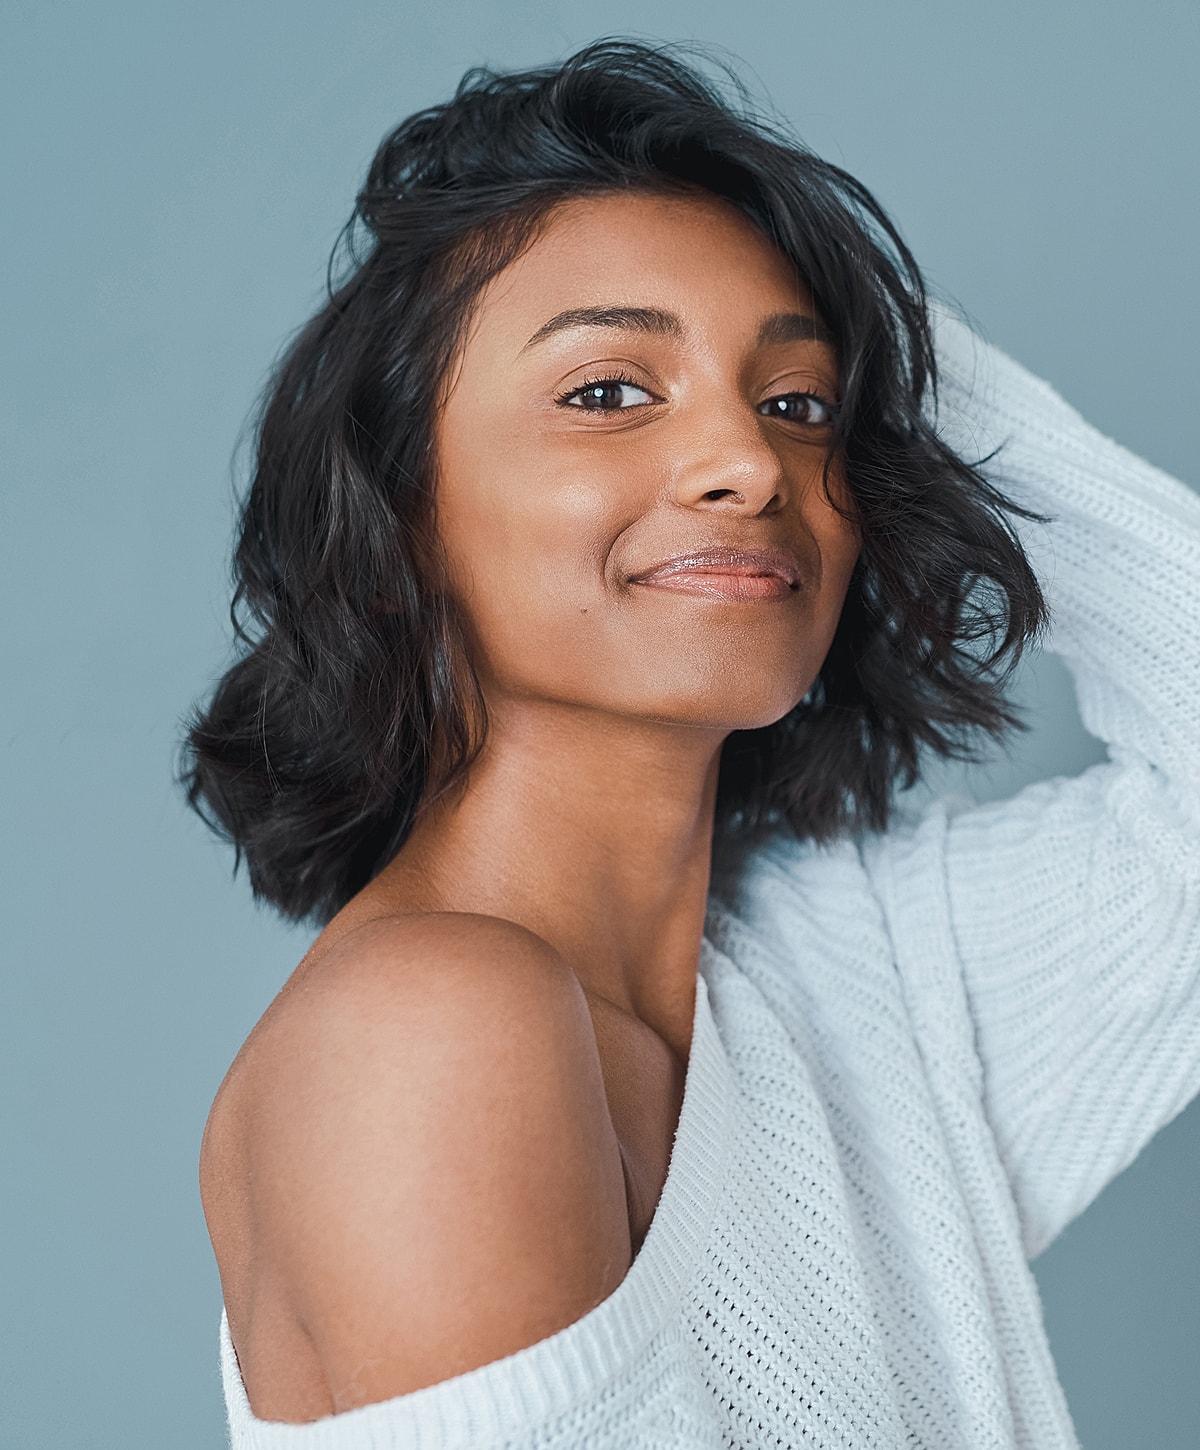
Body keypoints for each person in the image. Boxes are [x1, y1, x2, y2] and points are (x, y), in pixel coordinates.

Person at [185, 39, 1200, 1449]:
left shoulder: (864, 984)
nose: (750, 462)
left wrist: (867, 319)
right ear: (393, 524)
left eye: (799, 405)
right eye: (609, 391)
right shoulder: (422, 1031)